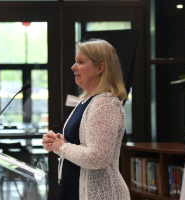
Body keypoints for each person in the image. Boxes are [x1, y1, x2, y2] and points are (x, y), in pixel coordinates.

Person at [42, 39, 130, 200]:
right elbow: (80, 144)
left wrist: (62, 147)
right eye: (75, 61)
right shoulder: (85, 100)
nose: (73, 67)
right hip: (74, 189)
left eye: (80, 62)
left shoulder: (105, 104)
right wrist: (56, 141)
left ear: (100, 67)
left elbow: (98, 157)